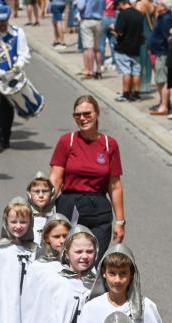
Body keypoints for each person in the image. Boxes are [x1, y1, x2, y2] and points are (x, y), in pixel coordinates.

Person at [50, 94, 125, 254]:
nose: (82, 118)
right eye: (77, 115)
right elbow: (55, 179)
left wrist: (120, 221)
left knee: (93, 261)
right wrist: (44, 211)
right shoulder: (67, 141)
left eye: (87, 114)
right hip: (69, 207)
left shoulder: (109, 144)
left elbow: (115, 185)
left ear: (97, 113)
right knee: (69, 260)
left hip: (98, 210)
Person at [76, 244, 164, 323]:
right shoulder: (91, 308)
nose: (117, 280)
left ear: (131, 274)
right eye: (112, 273)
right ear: (104, 273)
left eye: (123, 273)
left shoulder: (145, 307)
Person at [0, 5, 29, 155]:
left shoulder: (17, 33)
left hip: (12, 78)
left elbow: (23, 53)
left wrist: (18, 65)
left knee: (8, 110)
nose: (1, 24)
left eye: (3, 21)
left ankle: (5, 138)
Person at [147, 0, 172, 114]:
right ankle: (163, 102)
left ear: (164, 7)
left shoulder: (166, 19)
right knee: (159, 80)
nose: (155, 5)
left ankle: (164, 106)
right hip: (158, 52)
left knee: (163, 81)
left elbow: (168, 37)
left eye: (158, 3)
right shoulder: (162, 17)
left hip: (162, 53)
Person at [79, 0, 105, 79]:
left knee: (89, 48)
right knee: (97, 48)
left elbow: (81, 7)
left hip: (87, 20)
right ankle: (99, 70)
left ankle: (90, 71)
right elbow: (104, 6)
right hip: (98, 20)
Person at [27, 171, 55, 236]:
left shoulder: (57, 210)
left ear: (52, 192)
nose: (41, 195)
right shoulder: (25, 211)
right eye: (36, 191)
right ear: (29, 193)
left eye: (45, 191)